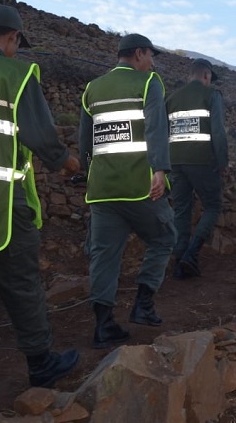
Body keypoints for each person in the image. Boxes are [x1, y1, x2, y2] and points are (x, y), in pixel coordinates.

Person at [0, 4, 80, 387]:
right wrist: (68, 163)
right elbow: (43, 136)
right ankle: (41, 362)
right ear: (11, 37)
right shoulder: (15, 74)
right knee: (21, 282)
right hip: (4, 206)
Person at [80, 33, 176, 348]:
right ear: (138, 54)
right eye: (151, 55)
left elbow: (86, 143)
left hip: (102, 190)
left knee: (104, 255)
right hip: (140, 186)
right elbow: (156, 129)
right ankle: (143, 306)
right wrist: (159, 170)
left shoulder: (93, 88)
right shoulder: (149, 83)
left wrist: (87, 174)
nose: (153, 62)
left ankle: (103, 327)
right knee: (164, 237)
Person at [167, 58, 228, 279]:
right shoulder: (212, 95)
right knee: (212, 206)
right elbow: (218, 132)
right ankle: (191, 255)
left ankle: (178, 264)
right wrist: (222, 162)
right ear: (206, 75)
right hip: (202, 161)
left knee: (181, 211)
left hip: (175, 162)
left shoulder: (172, 98)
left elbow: (165, 132)